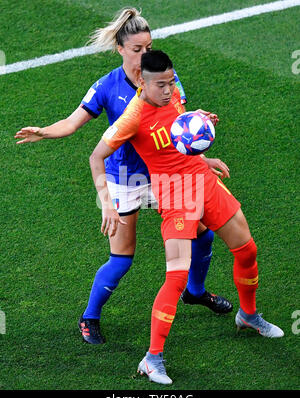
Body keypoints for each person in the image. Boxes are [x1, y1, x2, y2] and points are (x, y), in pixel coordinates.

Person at [14, 8, 232, 346]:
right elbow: (72, 125)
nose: (145, 55)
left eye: (149, 47)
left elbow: (181, 132)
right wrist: (44, 132)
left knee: (203, 235)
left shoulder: (166, 81)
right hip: (125, 180)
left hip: (166, 175)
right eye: (137, 49)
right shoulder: (107, 87)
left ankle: (195, 291)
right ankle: (89, 317)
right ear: (120, 49)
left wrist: (202, 158)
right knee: (122, 258)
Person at [90, 49, 284, 385]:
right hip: (175, 195)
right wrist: (106, 201)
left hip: (203, 182)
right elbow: (96, 156)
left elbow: (178, 129)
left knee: (247, 249)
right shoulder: (132, 117)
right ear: (142, 82)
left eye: (170, 82)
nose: (168, 90)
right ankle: (152, 358)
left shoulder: (174, 90)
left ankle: (248, 315)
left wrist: (198, 128)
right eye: (161, 85)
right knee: (176, 277)